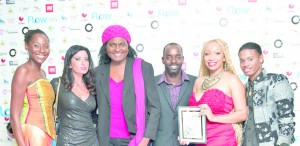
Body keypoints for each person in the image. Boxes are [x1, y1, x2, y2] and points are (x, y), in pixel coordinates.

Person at [95, 24, 160, 146]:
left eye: (122, 44)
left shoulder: (142, 68)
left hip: (135, 139)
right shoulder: (98, 72)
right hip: (105, 140)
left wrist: (145, 139)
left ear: (128, 46)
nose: (117, 49)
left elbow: (154, 107)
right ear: (105, 47)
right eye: (112, 44)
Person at [185, 39, 248, 146]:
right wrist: (187, 134)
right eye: (207, 54)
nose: (211, 57)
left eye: (217, 53)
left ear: (224, 57)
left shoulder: (232, 80)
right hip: (200, 141)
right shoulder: (198, 81)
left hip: (222, 139)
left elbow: (243, 114)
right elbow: (194, 114)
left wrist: (214, 117)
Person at [238, 42, 295, 146]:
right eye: (242, 61)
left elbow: (287, 116)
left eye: (250, 59)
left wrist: (283, 143)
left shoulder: (276, 81)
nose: (245, 64)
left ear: (261, 58)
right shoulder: (243, 88)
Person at [10, 29, 56, 146]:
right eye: (36, 46)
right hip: (32, 133)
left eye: (46, 46)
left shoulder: (43, 73)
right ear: (26, 46)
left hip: (49, 134)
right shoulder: (23, 71)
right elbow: (14, 116)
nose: (42, 50)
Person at [51, 45, 99, 146]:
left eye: (86, 59)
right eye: (78, 59)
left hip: (92, 140)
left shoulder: (92, 86)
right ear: (69, 64)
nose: (83, 63)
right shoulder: (57, 84)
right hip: (67, 142)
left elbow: (94, 115)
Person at [153, 43, 196, 146]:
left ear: (182, 59)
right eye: (169, 57)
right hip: (160, 143)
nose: (173, 61)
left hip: (188, 143)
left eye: (177, 57)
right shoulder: (151, 83)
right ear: (163, 60)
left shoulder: (196, 82)